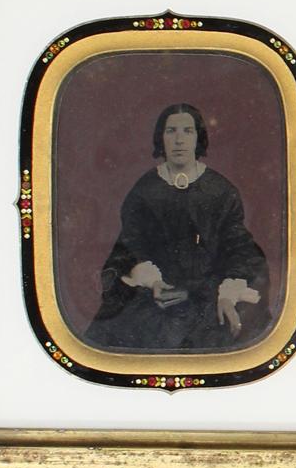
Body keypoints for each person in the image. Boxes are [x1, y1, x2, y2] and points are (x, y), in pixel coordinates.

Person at [85, 104, 270, 353]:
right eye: (171, 131)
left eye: (187, 131)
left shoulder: (221, 191)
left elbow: (239, 249)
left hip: (210, 294)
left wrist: (227, 293)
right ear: (161, 138)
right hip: (155, 298)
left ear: (198, 138)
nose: (179, 140)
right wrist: (154, 283)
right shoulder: (145, 191)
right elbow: (130, 247)